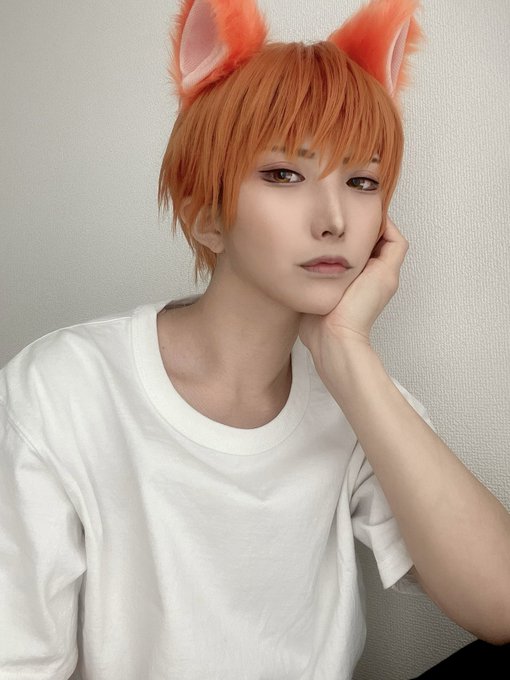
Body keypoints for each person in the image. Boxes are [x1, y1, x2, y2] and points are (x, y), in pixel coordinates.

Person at [0, 0, 509, 679]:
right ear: (206, 216)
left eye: (362, 181)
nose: (334, 220)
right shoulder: (64, 386)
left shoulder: (355, 397)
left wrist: (348, 353)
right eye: (284, 174)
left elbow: (502, 605)